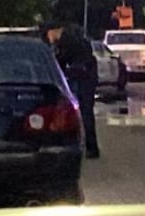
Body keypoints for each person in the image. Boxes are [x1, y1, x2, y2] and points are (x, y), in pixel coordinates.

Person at [43, 21, 101, 159]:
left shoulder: (65, 41)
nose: (49, 40)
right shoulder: (76, 36)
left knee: (75, 111)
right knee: (86, 112)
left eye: (48, 36)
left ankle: (80, 145)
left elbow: (61, 62)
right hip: (88, 76)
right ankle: (91, 146)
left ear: (53, 31)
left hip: (80, 77)